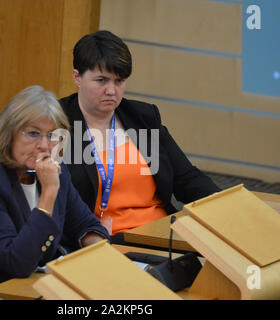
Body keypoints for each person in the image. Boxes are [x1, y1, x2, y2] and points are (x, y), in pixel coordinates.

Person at [0, 85, 109, 300]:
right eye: (33, 134)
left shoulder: (54, 172)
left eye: (52, 135)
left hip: (31, 289)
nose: (44, 145)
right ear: (9, 135)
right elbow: (17, 262)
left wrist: (104, 258)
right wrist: (49, 193)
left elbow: (85, 225)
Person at [59, 30, 220, 241]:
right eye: (101, 80)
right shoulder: (56, 123)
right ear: (77, 77)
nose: (111, 91)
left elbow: (186, 178)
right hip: (103, 239)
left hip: (161, 233)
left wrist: (221, 203)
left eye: (119, 81)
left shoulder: (142, 117)